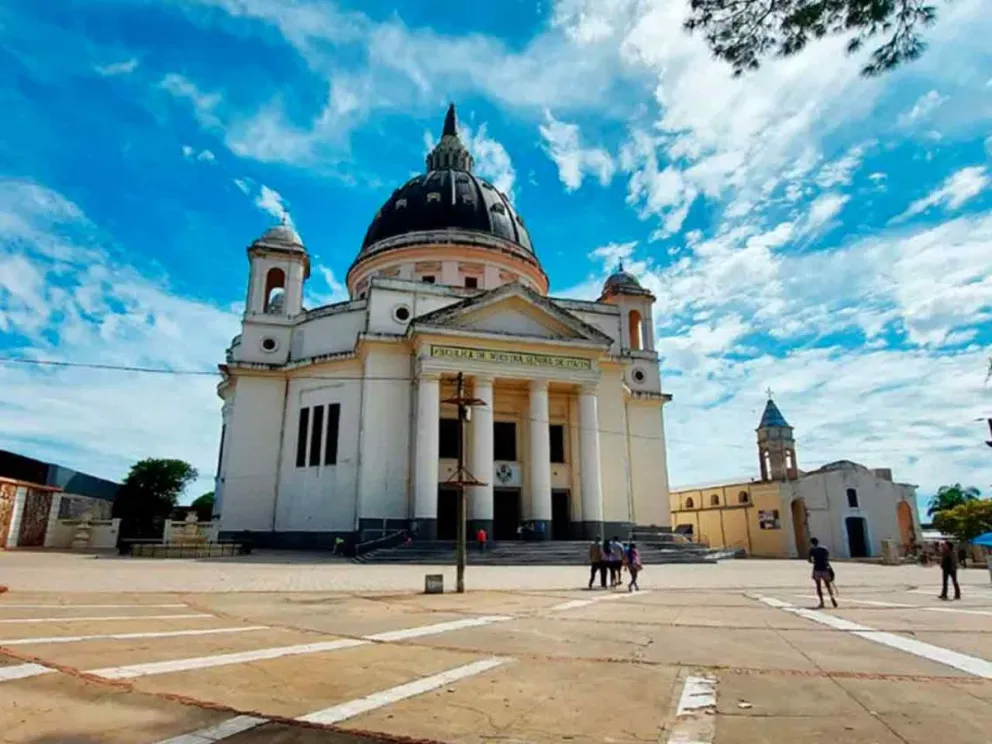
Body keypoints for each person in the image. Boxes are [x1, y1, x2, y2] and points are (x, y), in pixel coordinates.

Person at [808, 537, 837, 608]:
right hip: (825, 568)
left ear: (812, 543)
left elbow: (809, 560)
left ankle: (822, 602)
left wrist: (814, 562)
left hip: (817, 569)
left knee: (818, 586)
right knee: (828, 585)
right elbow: (827, 558)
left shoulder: (812, 550)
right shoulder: (824, 549)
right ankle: (832, 597)